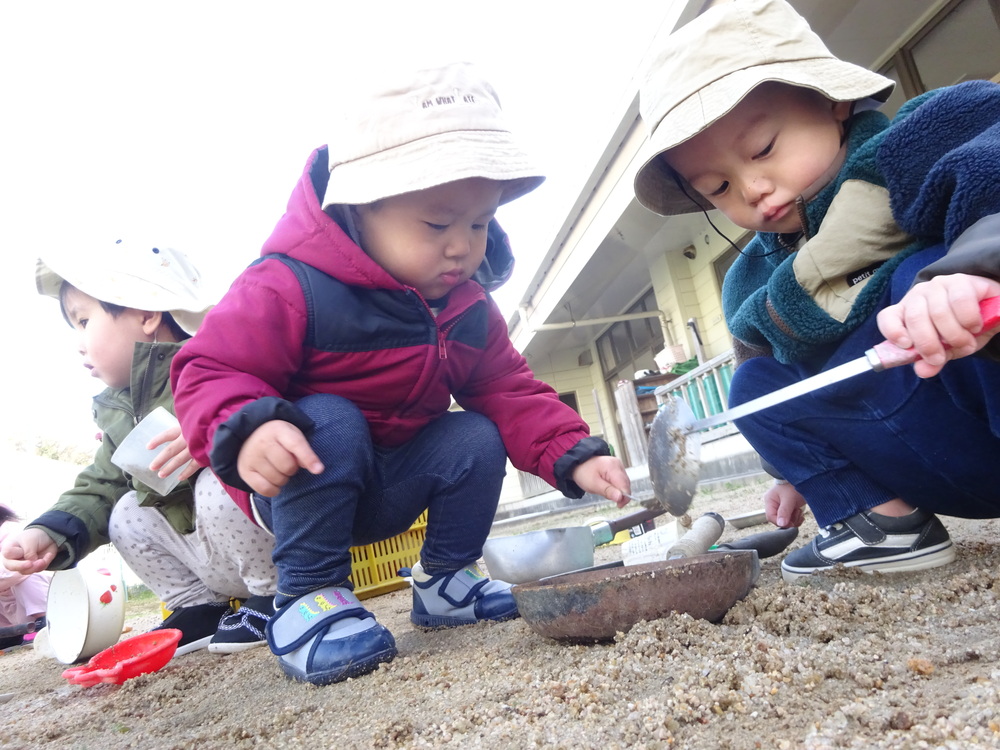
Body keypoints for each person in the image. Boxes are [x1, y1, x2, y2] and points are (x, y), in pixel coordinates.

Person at [170, 61, 632, 686]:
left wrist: (571, 452)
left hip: (394, 481)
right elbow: (211, 365)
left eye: (479, 222)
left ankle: (444, 579)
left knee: (473, 434)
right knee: (330, 417)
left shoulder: (467, 303)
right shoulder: (289, 284)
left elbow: (506, 387)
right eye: (438, 224)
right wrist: (247, 428)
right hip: (302, 484)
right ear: (360, 207)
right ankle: (307, 599)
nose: (462, 246)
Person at [633, 0, 1000, 582]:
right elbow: (775, 390)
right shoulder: (754, 282)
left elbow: (991, 162)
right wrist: (792, 469)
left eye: (762, 149)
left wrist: (974, 267)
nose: (753, 188)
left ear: (830, 99)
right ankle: (880, 523)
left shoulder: (913, 145)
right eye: (720, 186)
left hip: (973, 385)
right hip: (922, 446)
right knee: (755, 387)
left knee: (919, 278)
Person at [0, 239, 278, 655]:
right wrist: (50, 530)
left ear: (146, 314)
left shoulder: (212, 364)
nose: (78, 343)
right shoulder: (118, 410)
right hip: (208, 553)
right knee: (127, 509)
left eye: (83, 321)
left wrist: (209, 430)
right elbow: (102, 484)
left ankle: (276, 596)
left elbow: (268, 399)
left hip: (274, 540)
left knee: (214, 484)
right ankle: (198, 606)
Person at [0, 505, 50, 649]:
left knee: (27, 575)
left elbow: (13, 567)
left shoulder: (11, 532)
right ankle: (9, 635)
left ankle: (45, 620)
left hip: (40, 596)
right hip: (14, 615)